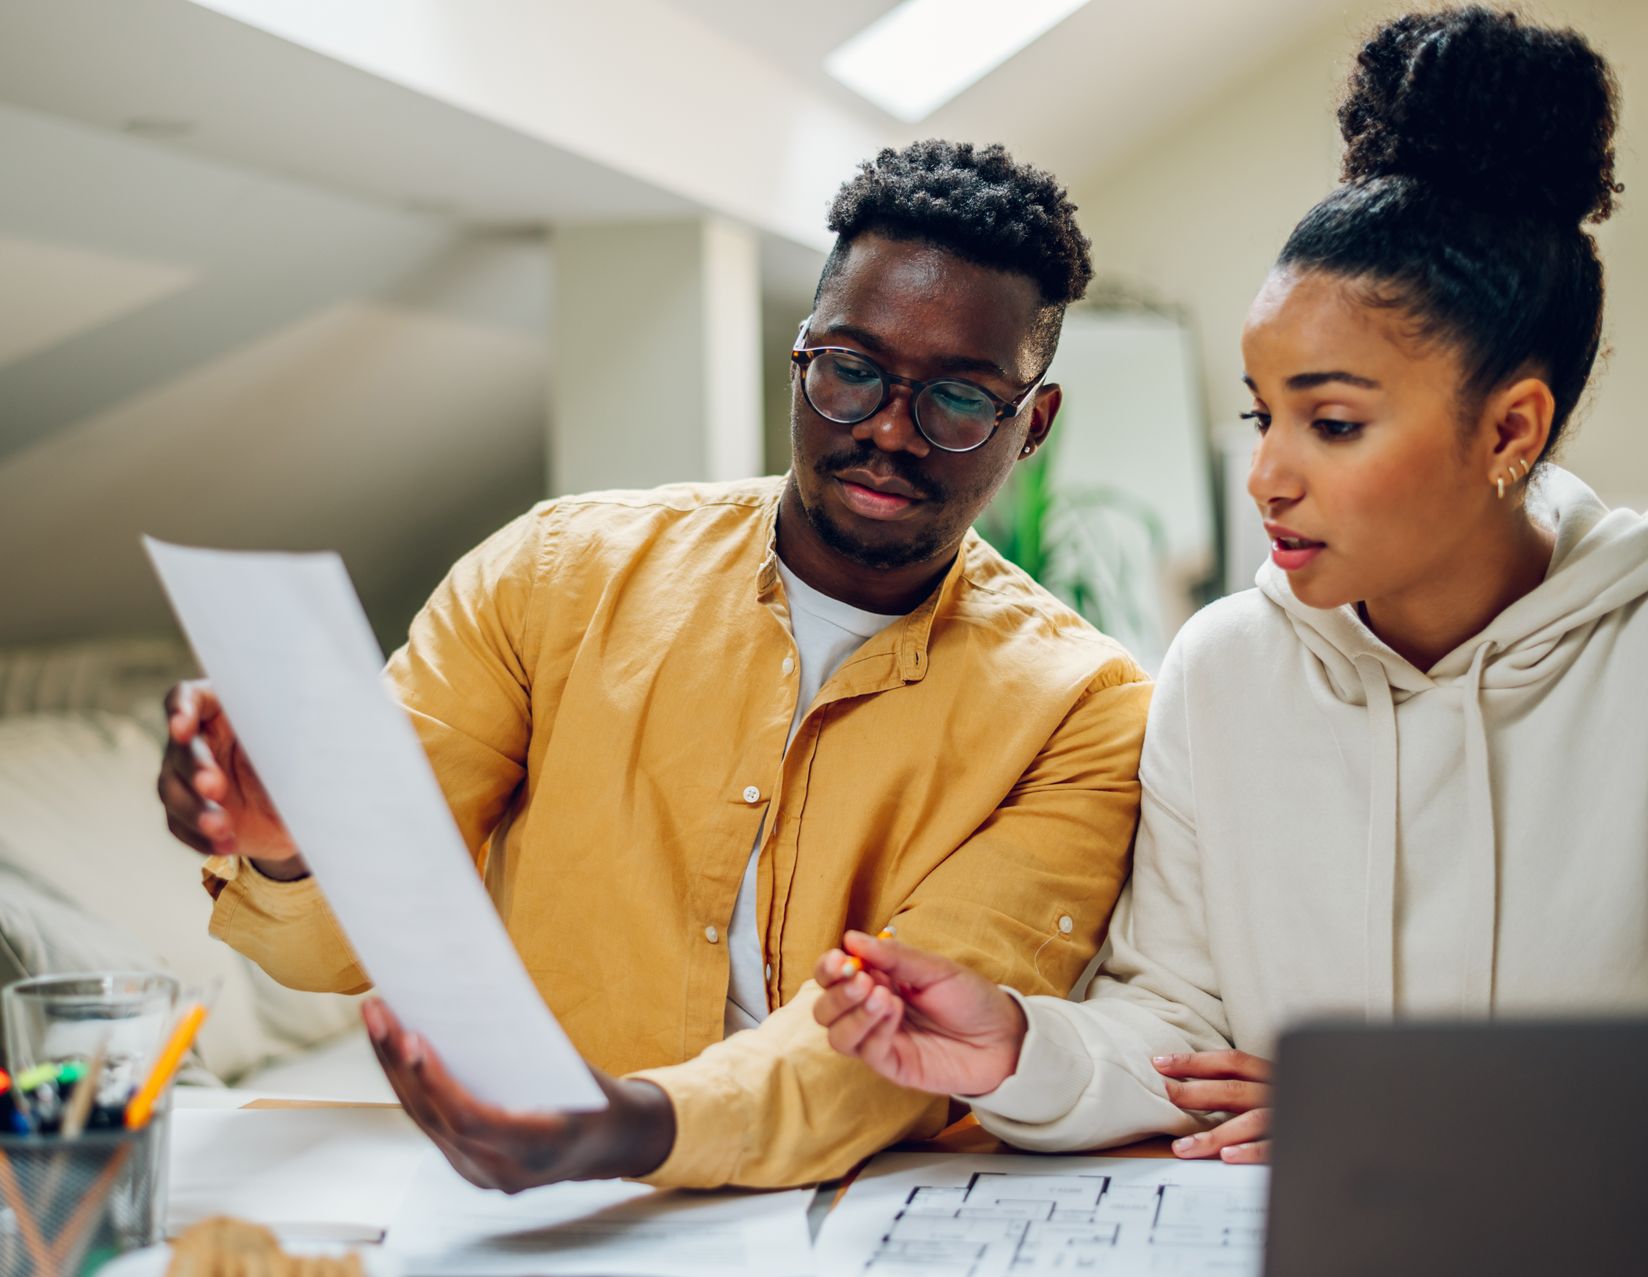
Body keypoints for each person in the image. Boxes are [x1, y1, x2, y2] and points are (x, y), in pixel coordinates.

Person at [158, 141, 1153, 1190]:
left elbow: (910, 1045)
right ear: (803, 356)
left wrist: (629, 1124)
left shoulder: (1083, 709)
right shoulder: (552, 575)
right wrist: (285, 844)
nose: (890, 432)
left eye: (958, 399)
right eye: (853, 371)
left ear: (1030, 423)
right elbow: (338, 951)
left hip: (864, 1217)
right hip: (538, 1207)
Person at [815, 6, 1648, 1166]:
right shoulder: (1227, 668)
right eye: (1265, 413)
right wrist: (1011, 1048)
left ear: (1510, 427)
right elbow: (1177, 1020)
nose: (1267, 474)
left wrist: (1425, 1113)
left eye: (1335, 421)